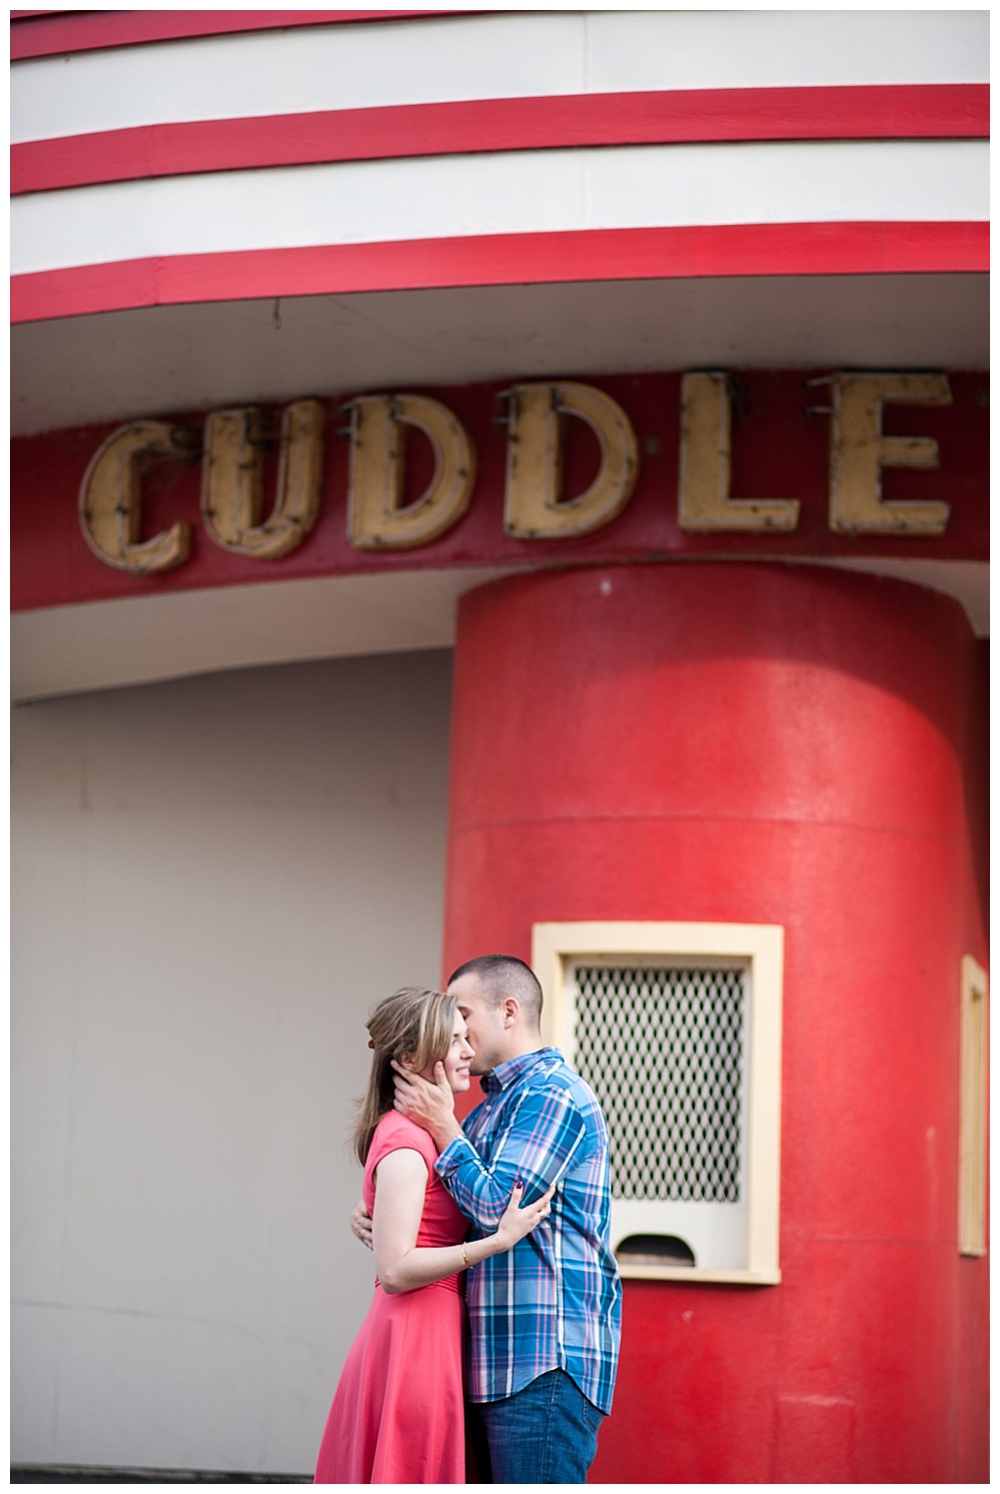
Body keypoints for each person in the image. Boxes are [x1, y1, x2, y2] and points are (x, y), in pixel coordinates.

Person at [352, 955, 622, 1484]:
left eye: (465, 1014)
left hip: (541, 1361)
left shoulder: (552, 1094)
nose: (461, 1035)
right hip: (487, 1360)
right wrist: (383, 1212)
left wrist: (444, 1129)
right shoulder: (486, 1112)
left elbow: (500, 1211)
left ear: (509, 1011)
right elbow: (447, 1209)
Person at [314, 986, 553, 1485]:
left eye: (468, 1037)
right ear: (411, 1058)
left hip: (430, 1333)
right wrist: (494, 1242)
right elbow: (396, 1271)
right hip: (414, 1336)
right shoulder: (407, 1140)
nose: (469, 1051)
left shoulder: (428, 1134)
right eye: (456, 1040)